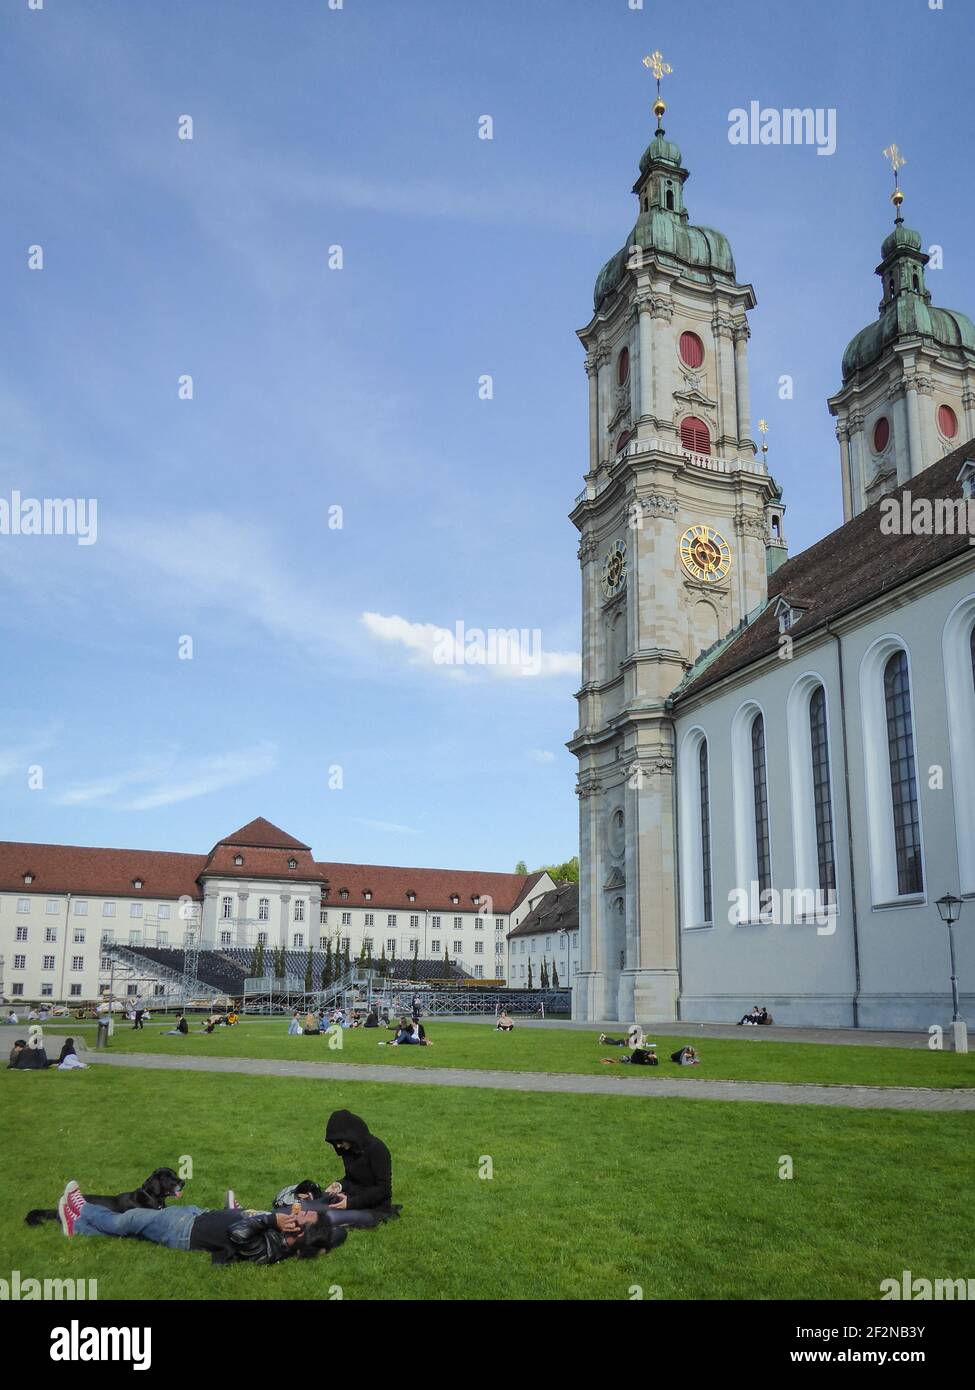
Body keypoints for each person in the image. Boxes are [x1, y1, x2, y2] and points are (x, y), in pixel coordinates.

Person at [55, 1181, 345, 1264]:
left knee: (127, 1221)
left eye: (302, 1217)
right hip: (196, 1217)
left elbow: (238, 1233)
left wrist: (269, 1219)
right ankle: (78, 1227)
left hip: (181, 1229)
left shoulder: (270, 1250)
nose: (297, 1211)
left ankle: (83, 1210)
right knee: (132, 1231)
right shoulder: (280, 1237)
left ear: (299, 1231)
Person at [323, 1110, 399, 1220]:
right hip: (353, 1198)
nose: (338, 1146)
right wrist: (339, 1185)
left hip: (375, 1206)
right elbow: (351, 1179)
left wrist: (350, 1203)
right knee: (319, 1208)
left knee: (329, 1218)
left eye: (340, 1141)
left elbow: (383, 1189)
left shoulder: (378, 1150)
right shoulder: (348, 1150)